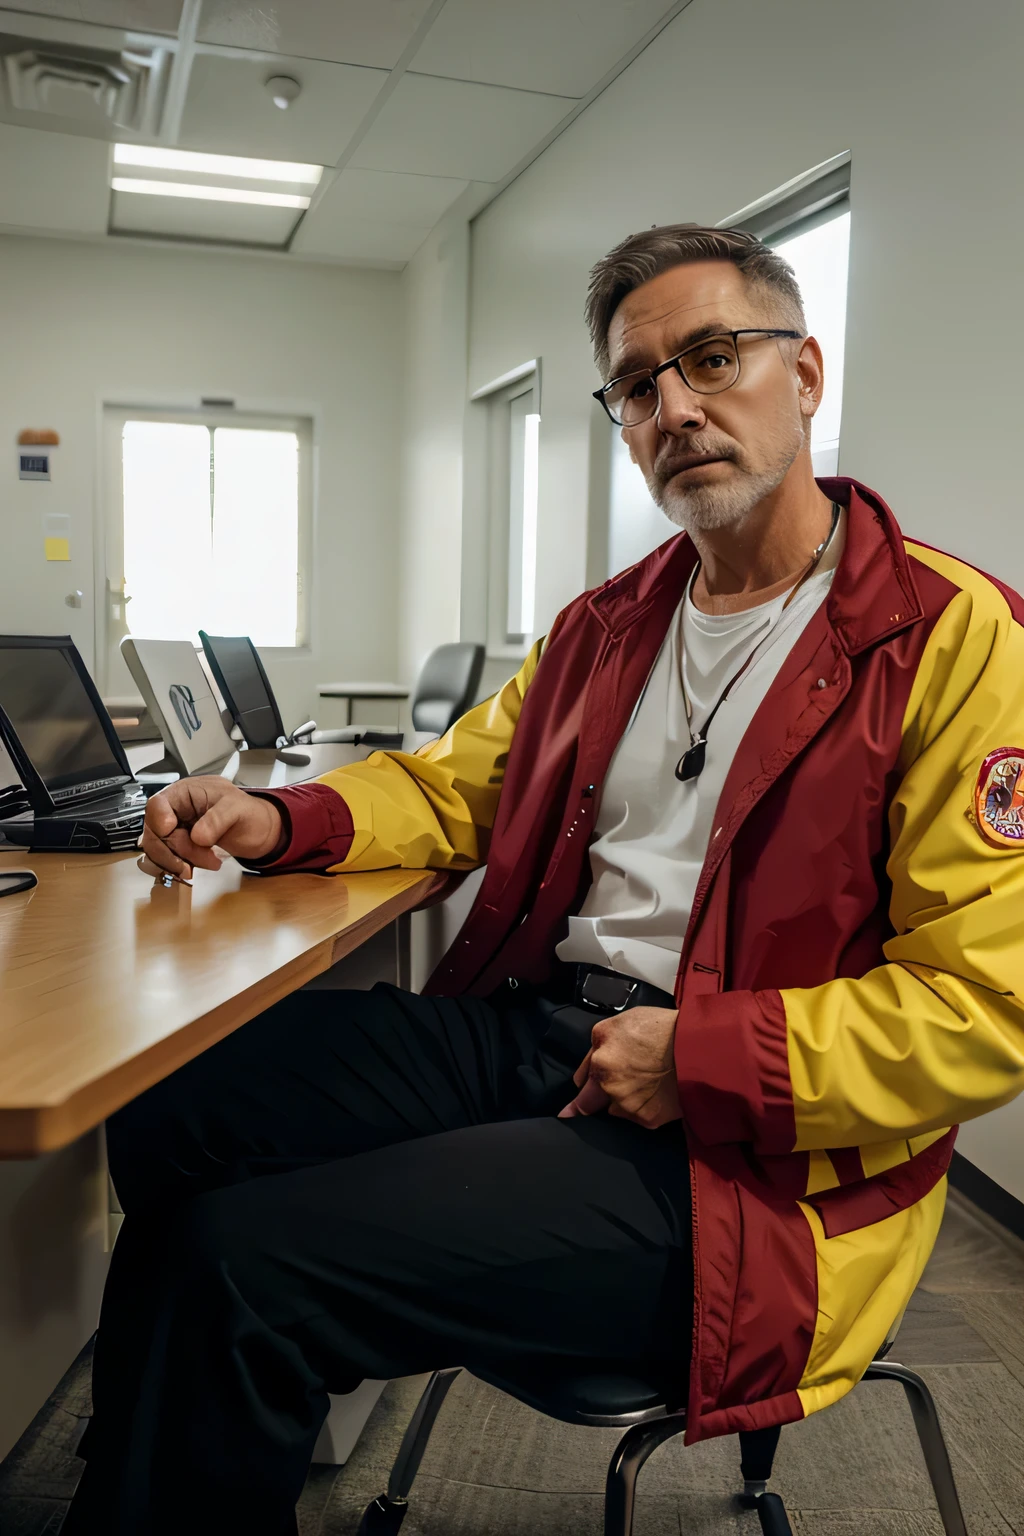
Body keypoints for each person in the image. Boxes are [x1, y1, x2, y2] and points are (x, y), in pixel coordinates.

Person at [64, 226, 1024, 1535]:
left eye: (712, 358)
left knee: (234, 1266)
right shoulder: (607, 627)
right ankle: (204, 1431)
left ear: (803, 374)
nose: (673, 405)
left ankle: (237, 1365)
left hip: (756, 1154)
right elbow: (461, 785)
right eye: (638, 385)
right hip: (557, 1036)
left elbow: (987, 1006)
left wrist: (703, 1057)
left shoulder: (950, 637)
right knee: (183, 1104)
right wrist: (274, 816)